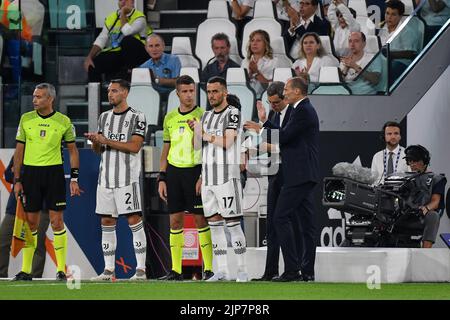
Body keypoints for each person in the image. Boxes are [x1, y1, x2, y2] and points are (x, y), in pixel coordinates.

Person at [12, 83, 82, 281]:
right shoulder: (26, 119)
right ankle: (26, 270)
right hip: (31, 175)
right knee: (31, 223)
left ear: (51, 99)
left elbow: (73, 151)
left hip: (54, 175)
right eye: (34, 96)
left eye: (40, 97)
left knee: (56, 222)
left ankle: (61, 269)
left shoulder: (64, 121)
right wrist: (17, 179)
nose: (35, 100)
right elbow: (19, 152)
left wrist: (74, 178)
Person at [85, 79, 148, 281]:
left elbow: (135, 147)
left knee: (133, 220)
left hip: (127, 179)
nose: (110, 94)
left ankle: (140, 270)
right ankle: (108, 270)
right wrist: (96, 142)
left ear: (125, 93)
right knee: (106, 221)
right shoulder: (104, 117)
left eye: (114, 91)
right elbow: (98, 150)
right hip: (105, 179)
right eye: (109, 91)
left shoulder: (138, 117)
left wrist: (106, 140)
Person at [189, 76, 248, 282]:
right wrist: (195, 132)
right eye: (209, 91)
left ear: (225, 92)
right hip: (209, 179)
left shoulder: (233, 113)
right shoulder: (204, 116)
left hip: (227, 177)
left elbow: (228, 142)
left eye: (215, 91)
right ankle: (221, 270)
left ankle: (242, 271)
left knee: (232, 224)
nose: (212, 95)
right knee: (214, 224)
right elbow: (199, 148)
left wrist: (205, 135)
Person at [260, 77, 320, 282]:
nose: (285, 92)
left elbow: (284, 137)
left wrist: (261, 129)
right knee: (306, 224)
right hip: (301, 173)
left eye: (286, 89)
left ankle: (293, 269)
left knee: (280, 217)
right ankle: (307, 272)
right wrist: (266, 123)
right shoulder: (304, 109)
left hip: (298, 174)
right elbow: (286, 136)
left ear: (296, 91)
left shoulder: (302, 110)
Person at [157, 75, 214, 281]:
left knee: (200, 219)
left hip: (195, 171)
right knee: (175, 221)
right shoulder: (170, 117)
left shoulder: (203, 116)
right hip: (174, 173)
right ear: (177, 93)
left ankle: (208, 269)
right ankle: (176, 270)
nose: (189, 95)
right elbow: (166, 148)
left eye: (192, 91)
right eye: (185, 91)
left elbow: (205, 148)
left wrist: (202, 175)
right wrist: (161, 177)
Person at [244, 81, 293, 281]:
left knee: (286, 221)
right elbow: (270, 144)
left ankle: (293, 269)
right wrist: (251, 152)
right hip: (275, 172)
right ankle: (270, 270)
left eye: (276, 102)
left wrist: (261, 126)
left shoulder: (293, 115)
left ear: (285, 98)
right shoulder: (274, 115)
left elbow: (285, 144)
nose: (274, 106)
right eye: (271, 102)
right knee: (272, 223)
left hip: (290, 173)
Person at [0, 156, 49, 278]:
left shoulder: (46, 153)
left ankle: (34, 277)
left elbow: (47, 179)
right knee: (3, 240)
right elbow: (7, 174)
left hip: (40, 206)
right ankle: (1, 276)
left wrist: (20, 176)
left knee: (38, 243)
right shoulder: (20, 152)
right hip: (16, 206)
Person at [84, 0, 152, 82]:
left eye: (126, 0)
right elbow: (102, 39)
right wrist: (89, 57)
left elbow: (127, 32)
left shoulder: (139, 17)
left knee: (127, 41)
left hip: (139, 54)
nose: (123, 2)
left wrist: (123, 13)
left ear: (132, 2)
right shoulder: (111, 18)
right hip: (119, 53)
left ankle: (130, 73)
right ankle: (97, 92)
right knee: (94, 64)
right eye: (120, 0)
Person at [402, 145, 446, 248]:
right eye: (410, 161)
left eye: (415, 161)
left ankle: (426, 251)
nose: (412, 164)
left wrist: (426, 208)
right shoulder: (404, 178)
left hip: (421, 215)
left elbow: (436, 202)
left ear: (425, 161)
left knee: (433, 216)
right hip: (403, 214)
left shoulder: (437, 179)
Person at [378, 0, 422, 81]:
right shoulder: (381, 29)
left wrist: (389, 54)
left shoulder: (407, 31)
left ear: (400, 16)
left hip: (400, 63)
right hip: (382, 62)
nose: (389, 17)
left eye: (393, 14)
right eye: (387, 13)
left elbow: (409, 53)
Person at [140, 34, 181, 99]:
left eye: (157, 45)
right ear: (146, 48)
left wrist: (156, 80)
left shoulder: (174, 60)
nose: (154, 49)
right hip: (152, 98)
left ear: (163, 46)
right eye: (151, 46)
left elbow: (178, 82)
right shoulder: (144, 66)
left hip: (172, 97)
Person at [241, 30, 278, 98]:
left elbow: (272, 87)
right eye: (252, 40)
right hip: (247, 97)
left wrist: (256, 72)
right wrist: (249, 75)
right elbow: (241, 85)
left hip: (265, 99)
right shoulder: (245, 62)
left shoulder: (273, 62)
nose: (254, 43)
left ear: (265, 44)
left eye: (258, 40)